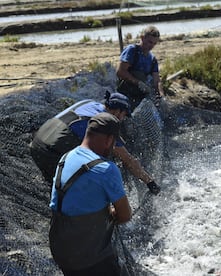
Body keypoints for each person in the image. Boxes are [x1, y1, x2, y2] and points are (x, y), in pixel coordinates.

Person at [30, 91, 160, 195]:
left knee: (58, 184)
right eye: (124, 115)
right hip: (52, 152)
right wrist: (149, 182)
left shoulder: (88, 103)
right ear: (117, 111)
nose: (122, 120)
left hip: (37, 143)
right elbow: (128, 160)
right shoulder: (106, 122)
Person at [49, 112, 131, 275]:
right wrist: (112, 213)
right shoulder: (106, 169)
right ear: (108, 140)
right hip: (88, 257)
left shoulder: (65, 157)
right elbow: (125, 215)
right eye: (114, 142)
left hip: (60, 251)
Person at [116, 25, 165, 110]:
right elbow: (120, 71)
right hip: (125, 94)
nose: (152, 46)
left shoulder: (152, 59)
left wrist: (161, 95)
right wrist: (138, 83)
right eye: (150, 42)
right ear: (142, 38)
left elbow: (157, 80)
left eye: (154, 43)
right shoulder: (132, 51)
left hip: (141, 96)